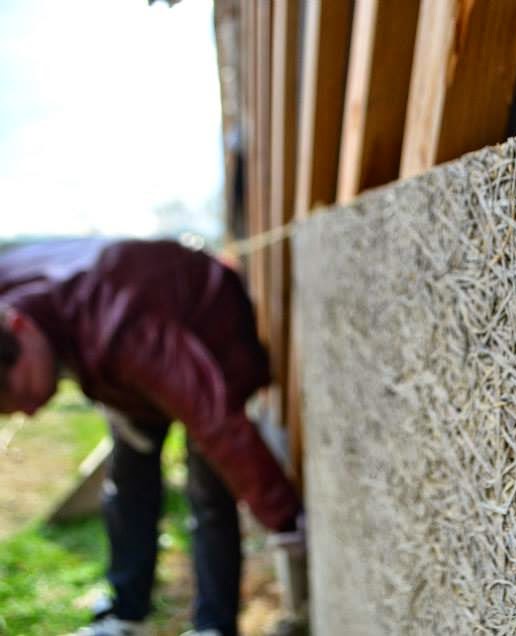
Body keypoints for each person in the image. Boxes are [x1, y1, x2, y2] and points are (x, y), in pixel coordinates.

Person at [0, 238, 302, 636]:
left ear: (19, 327)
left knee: (210, 485)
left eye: (20, 393)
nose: (28, 411)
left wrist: (286, 520)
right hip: (124, 376)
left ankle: (214, 625)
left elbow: (213, 417)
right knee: (128, 481)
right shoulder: (21, 297)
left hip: (210, 343)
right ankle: (126, 613)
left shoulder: (121, 325)